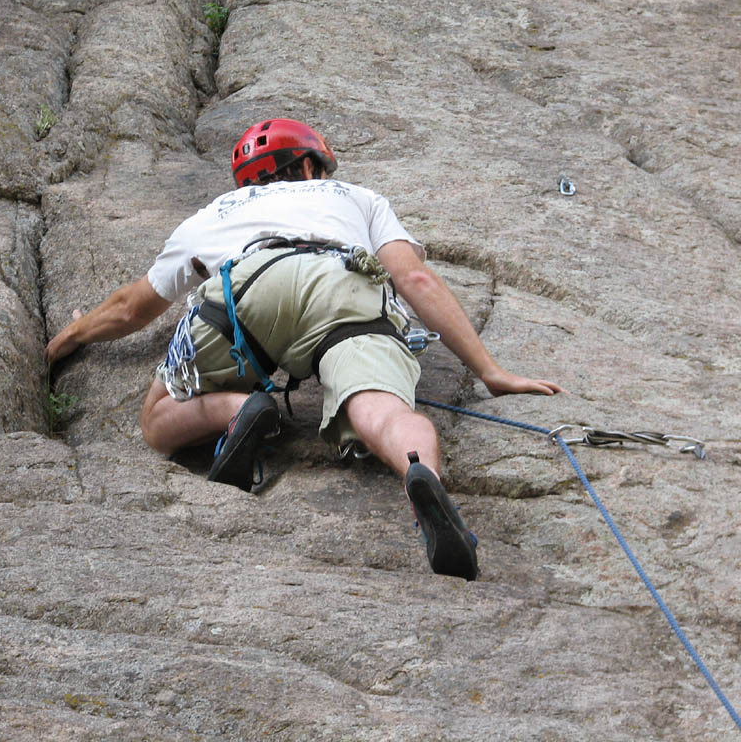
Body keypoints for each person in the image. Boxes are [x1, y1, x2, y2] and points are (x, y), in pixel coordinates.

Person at [45, 118, 563, 581]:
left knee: (158, 419)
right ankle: (417, 471)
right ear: (312, 165)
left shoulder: (215, 213)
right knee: (379, 410)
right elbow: (416, 280)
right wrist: (491, 371)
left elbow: (130, 307)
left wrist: (66, 338)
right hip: (342, 285)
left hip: (245, 291)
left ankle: (237, 408)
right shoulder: (354, 197)